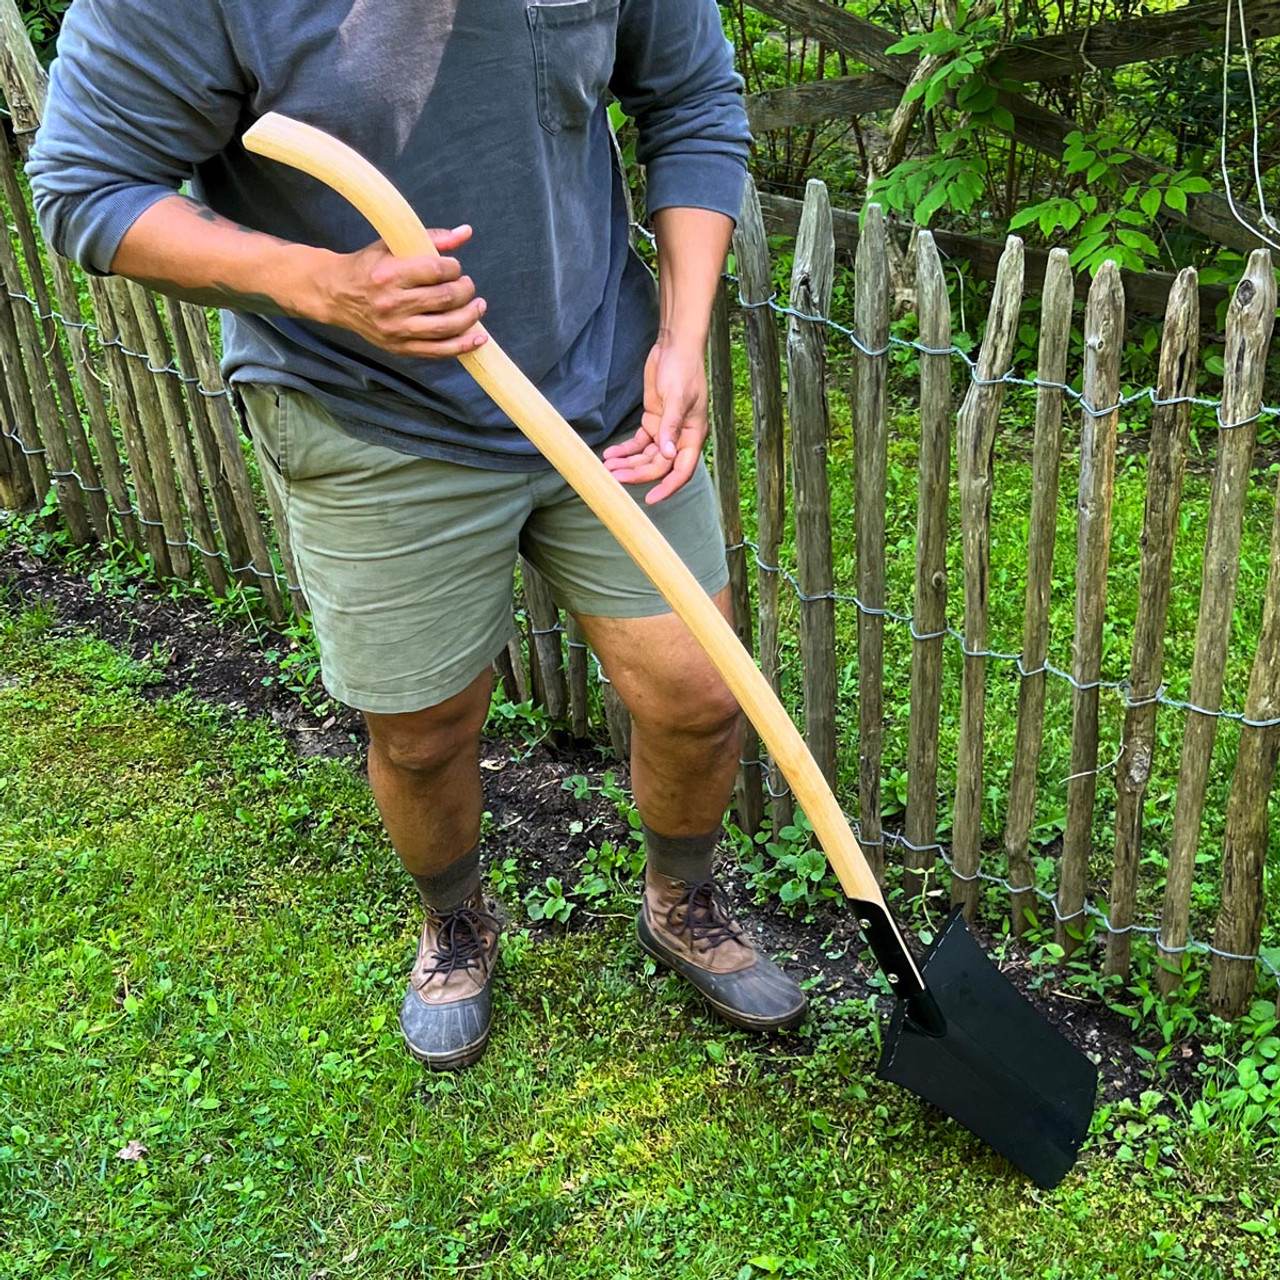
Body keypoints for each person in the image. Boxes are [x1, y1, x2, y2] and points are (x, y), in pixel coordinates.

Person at [28, 0, 808, 1070]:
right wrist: (327, 288)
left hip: (603, 389)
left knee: (698, 694)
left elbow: (691, 99)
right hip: (368, 412)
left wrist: (679, 339)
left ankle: (682, 897)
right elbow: (85, 190)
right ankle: (454, 918)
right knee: (425, 729)